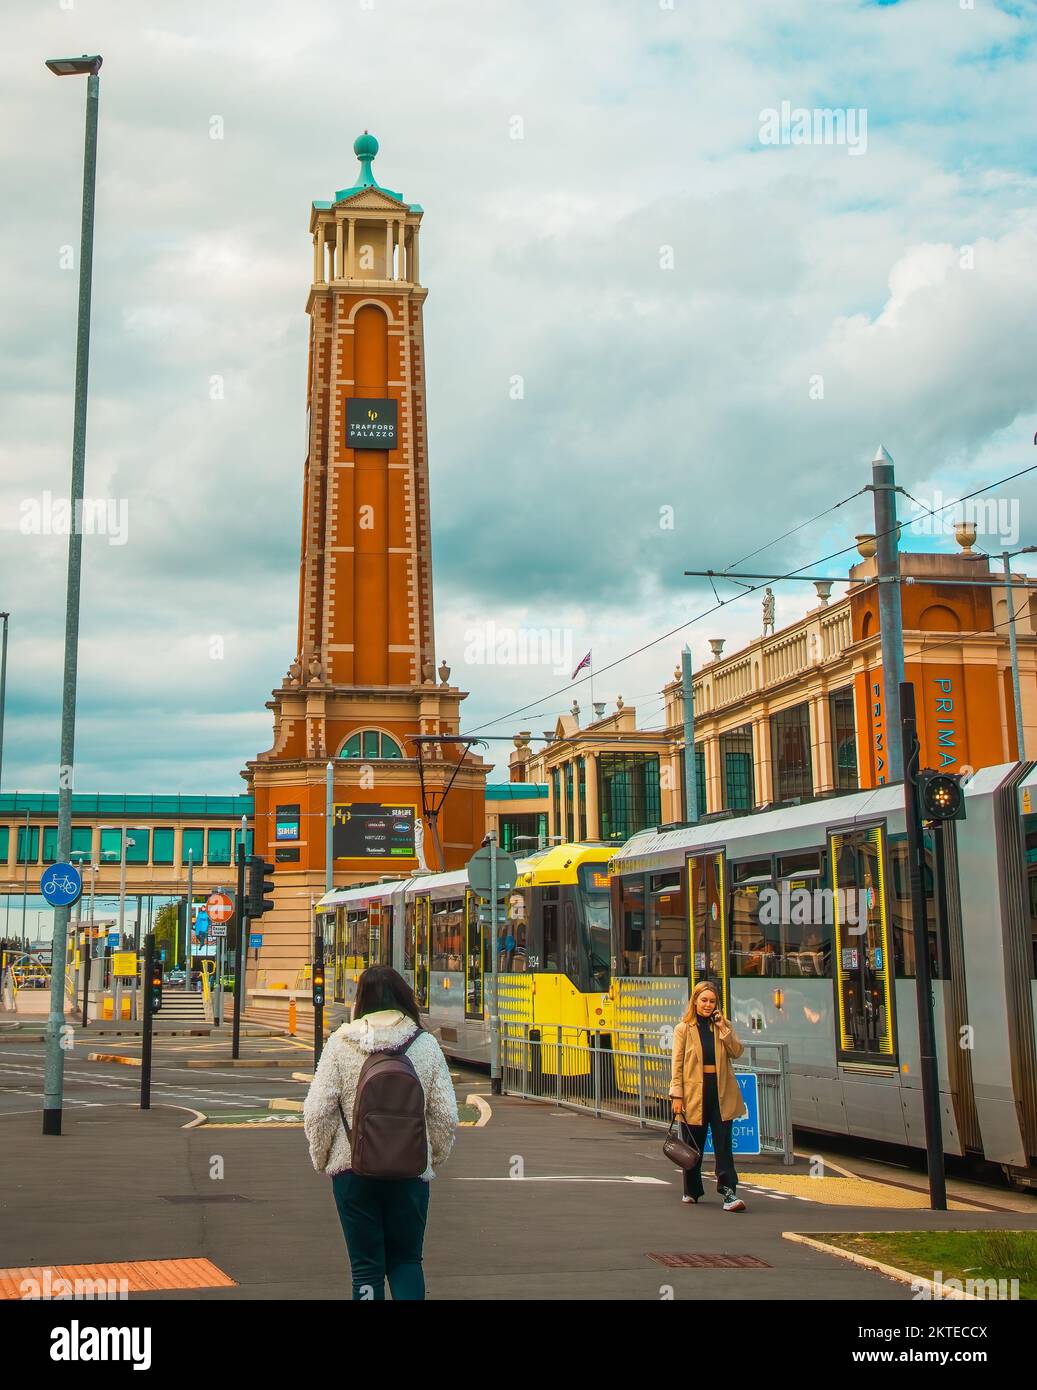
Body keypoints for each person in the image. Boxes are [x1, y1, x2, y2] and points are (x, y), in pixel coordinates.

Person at [303, 965, 458, 1299]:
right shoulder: (425, 1044)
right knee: (406, 1261)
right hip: (410, 1172)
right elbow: (445, 1115)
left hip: (352, 1171)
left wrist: (323, 1158)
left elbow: (317, 1112)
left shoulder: (340, 1043)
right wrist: (433, 1155)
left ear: (361, 1001)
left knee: (366, 1267)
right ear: (404, 998)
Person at [669, 980, 747, 1211]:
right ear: (694, 1001)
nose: (708, 1005)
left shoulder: (723, 1026)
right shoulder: (683, 1028)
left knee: (723, 1145)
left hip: (721, 1090)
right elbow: (677, 1065)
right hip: (693, 1093)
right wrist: (677, 1096)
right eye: (703, 1000)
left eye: (712, 1001)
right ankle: (692, 1190)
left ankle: (729, 1192)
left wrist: (724, 1029)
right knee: (694, 1144)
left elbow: (737, 1051)